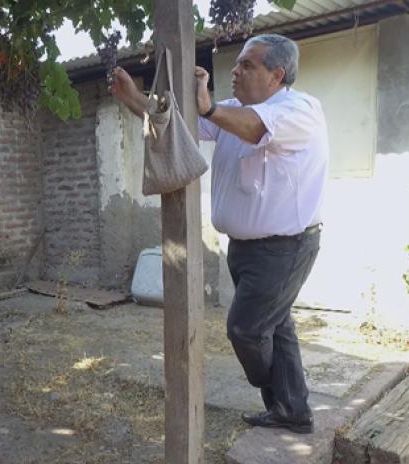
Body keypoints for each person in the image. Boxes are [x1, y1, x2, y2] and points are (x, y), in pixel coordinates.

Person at [110, 34, 327, 434]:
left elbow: (252, 128)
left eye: (248, 65)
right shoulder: (231, 112)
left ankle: (279, 393)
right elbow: (175, 121)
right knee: (277, 327)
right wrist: (132, 97)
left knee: (245, 329)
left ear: (277, 75)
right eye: (238, 63)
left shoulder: (298, 110)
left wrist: (209, 107)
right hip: (246, 248)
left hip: (285, 248)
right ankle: (291, 410)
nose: (237, 71)